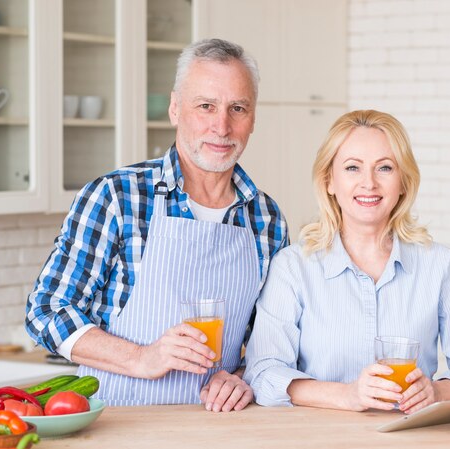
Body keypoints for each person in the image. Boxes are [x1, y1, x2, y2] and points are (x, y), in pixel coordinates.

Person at [25, 39, 288, 411]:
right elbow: (47, 310)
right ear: (175, 109)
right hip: (116, 425)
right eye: (205, 106)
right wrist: (140, 358)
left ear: (253, 118)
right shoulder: (117, 196)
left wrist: (243, 376)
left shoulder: (266, 218)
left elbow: (272, 341)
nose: (222, 125)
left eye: (238, 108)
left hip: (221, 431)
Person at [243, 110, 450, 414]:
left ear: (404, 182)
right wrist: (346, 395)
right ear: (329, 181)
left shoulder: (440, 265)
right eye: (352, 167)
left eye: (385, 168)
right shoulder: (293, 267)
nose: (369, 183)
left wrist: (437, 392)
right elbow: (263, 373)